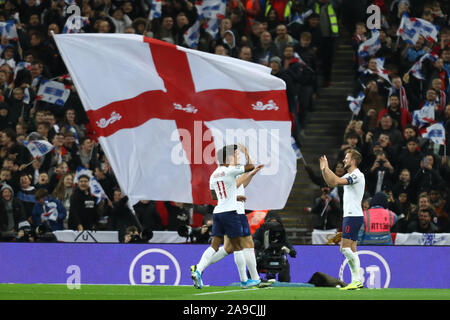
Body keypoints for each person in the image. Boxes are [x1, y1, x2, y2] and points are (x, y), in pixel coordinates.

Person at [190, 144, 255, 289]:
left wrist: (233, 197)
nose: (237, 157)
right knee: (237, 246)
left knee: (214, 245)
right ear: (229, 157)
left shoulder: (213, 175)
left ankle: (198, 270)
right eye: (236, 154)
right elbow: (250, 166)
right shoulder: (230, 170)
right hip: (230, 213)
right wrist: (247, 152)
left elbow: (215, 196)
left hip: (218, 212)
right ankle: (245, 281)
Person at [320, 149, 365, 290]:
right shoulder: (349, 175)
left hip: (353, 216)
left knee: (345, 249)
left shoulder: (357, 175)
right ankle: (356, 282)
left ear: (353, 161)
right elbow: (331, 183)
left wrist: (327, 168)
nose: (344, 160)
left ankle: (357, 280)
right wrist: (323, 170)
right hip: (352, 215)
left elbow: (336, 180)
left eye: (346, 158)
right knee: (352, 249)